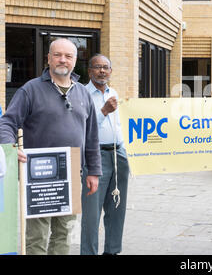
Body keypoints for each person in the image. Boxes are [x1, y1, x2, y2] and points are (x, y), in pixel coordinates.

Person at [0, 38, 101, 255]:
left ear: (75, 60)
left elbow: (92, 136)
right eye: (57, 55)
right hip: (38, 176)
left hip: (72, 173)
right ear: (48, 58)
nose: (62, 60)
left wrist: (94, 171)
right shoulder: (31, 90)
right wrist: (10, 147)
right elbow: (7, 122)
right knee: (37, 234)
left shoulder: (83, 93)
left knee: (64, 231)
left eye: (68, 56)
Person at [81, 54, 130, 255]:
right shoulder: (81, 94)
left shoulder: (115, 93)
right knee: (92, 214)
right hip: (95, 157)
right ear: (90, 71)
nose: (102, 71)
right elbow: (81, 127)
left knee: (117, 209)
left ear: (111, 71)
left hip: (118, 155)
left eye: (106, 67)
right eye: (97, 67)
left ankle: (112, 251)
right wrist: (103, 111)